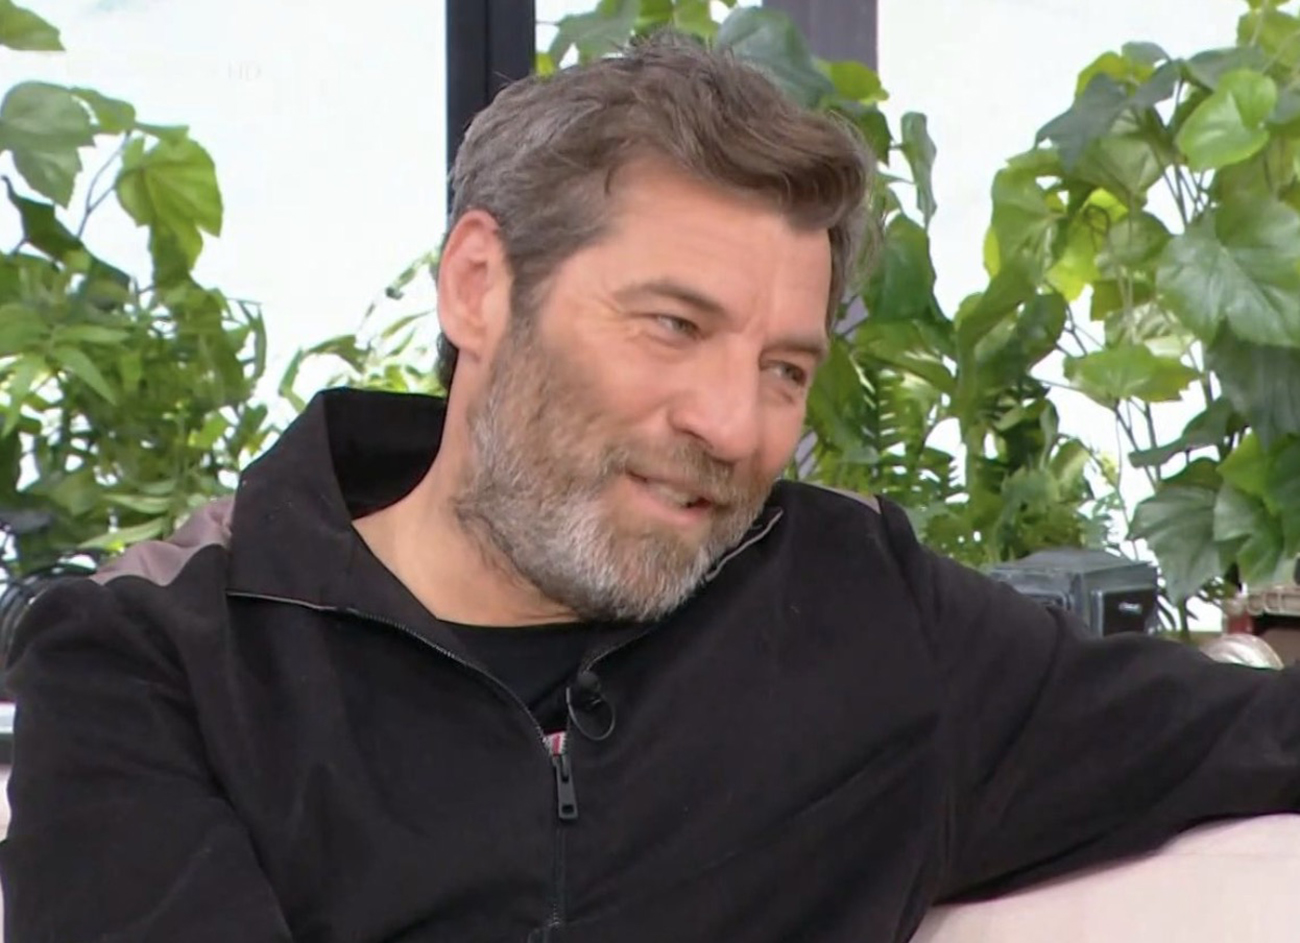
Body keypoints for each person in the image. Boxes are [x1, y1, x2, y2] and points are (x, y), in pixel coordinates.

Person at [3, 32, 1300, 943]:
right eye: (673, 326)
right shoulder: (157, 669)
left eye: (785, 369)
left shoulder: (865, 614)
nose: (731, 425)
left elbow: (1252, 735)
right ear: (479, 287)